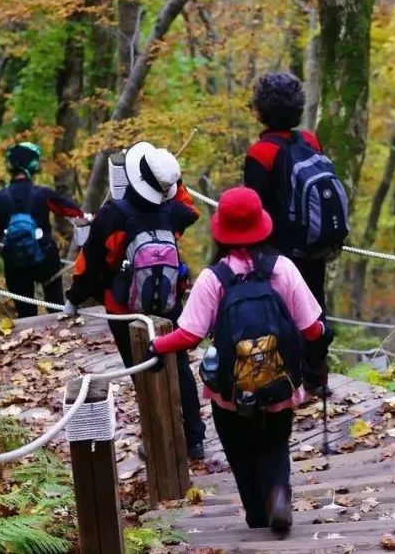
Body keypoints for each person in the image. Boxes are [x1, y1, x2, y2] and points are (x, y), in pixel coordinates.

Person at [146, 187, 329, 537]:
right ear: (262, 225)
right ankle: (278, 493)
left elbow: (189, 335)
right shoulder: (283, 269)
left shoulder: (214, 279)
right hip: (279, 385)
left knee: (239, 450)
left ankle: (256, 515)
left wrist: (156, 344)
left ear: (222, 231)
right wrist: (324, 331)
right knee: (275, 443)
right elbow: (310, 328)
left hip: (231, 391)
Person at [63, 141, 207, 459]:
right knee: (180, 366)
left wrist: (73, 299)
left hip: (125, 310)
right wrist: (174, 182)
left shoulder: (112, 217)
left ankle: (158, 443)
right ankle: (194, 440)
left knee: (143, 372)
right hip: (169, 304)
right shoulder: (171, 212)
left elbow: (90, 267)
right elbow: (192, 210)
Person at [243, 72, 346, 394]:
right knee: (314, 305)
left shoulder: (260, 153)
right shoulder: (310, 140)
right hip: (314, 242)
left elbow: (253, 208)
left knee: (280, 312)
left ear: (260, 109)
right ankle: (317, 379)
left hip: (279, 249)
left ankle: (288, 380)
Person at [0, 142, 86, 318]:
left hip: (14, 261)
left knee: (25, 312)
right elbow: (74, 212)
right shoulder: (43, 194)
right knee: (55, 305)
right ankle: (61, 339)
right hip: (46, 258)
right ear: (33, 166)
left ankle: (29, 342)